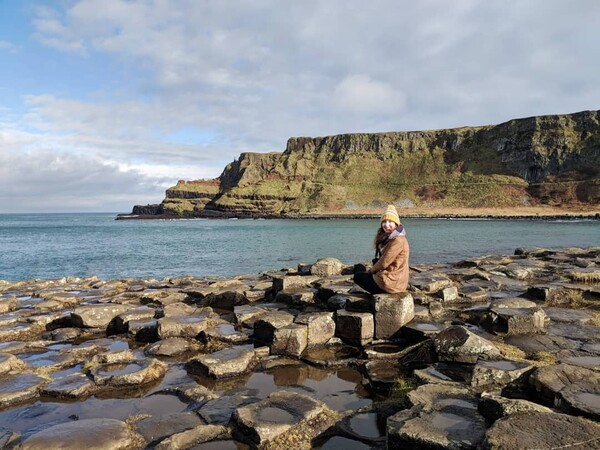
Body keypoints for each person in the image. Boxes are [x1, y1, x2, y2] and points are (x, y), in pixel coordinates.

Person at [353, 204, 410, 294]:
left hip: (392, 281)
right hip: (395, 278)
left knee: (358, 276)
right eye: (384, 221)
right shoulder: (390, 237)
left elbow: (385, 262)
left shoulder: (398, 240)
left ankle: (381, 292)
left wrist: (371, 271)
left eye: (390, 222)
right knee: (375, 261)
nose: (386, 225)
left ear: (396, 223)